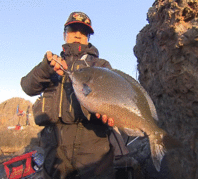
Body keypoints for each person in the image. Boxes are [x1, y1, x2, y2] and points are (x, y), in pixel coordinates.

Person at [21, 12, 128, 179]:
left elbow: (115, 95)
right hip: (54, 151)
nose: (78, 34)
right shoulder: (51, 63)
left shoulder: (101, 65)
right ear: (64, 34)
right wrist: (45, 68)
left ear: (88, 37)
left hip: (93, 148)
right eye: (73, 29)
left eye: (83, 31)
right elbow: (27, 87)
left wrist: (113, 114)